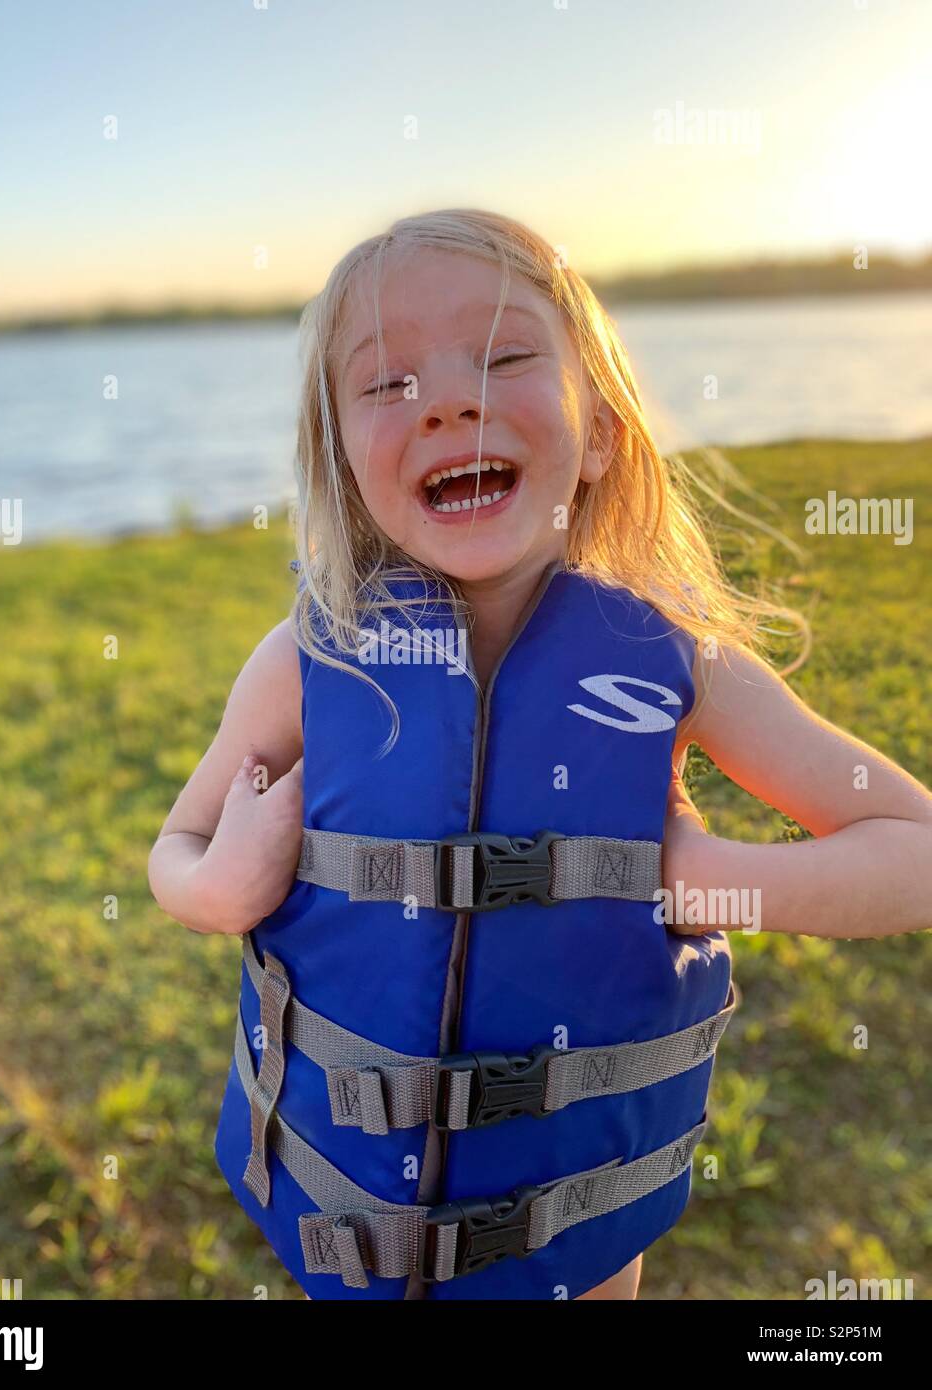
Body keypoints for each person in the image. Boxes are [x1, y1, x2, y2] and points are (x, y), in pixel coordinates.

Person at [148, 208, 932, 1300]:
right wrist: (218, 879)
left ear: (600, 427)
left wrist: (702, 878)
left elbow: (911, 851)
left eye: (503, 357)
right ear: (341, 455)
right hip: (349, 1215)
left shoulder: (675, 662)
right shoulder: (307, 662)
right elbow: (172, 848)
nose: (447, 402)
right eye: (386, 385)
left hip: (570, 1232)